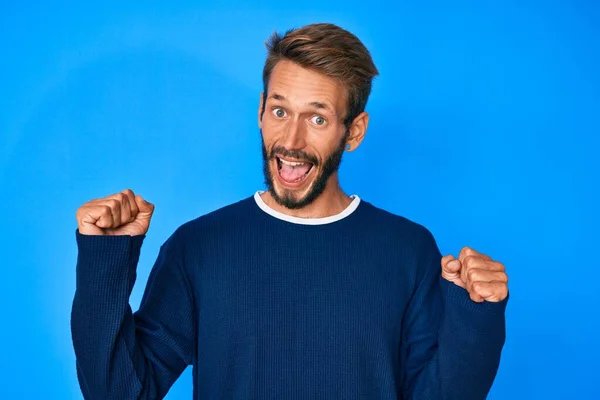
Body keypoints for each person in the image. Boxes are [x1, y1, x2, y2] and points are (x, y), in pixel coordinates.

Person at [71, 22, 508, 399]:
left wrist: (476, 317)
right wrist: (103, 262)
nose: (292, 141)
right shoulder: (197, 247)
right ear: (261, 112)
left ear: (353, 131)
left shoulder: (408, 249)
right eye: (280, 111)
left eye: (317, 118)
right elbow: (120, 393)